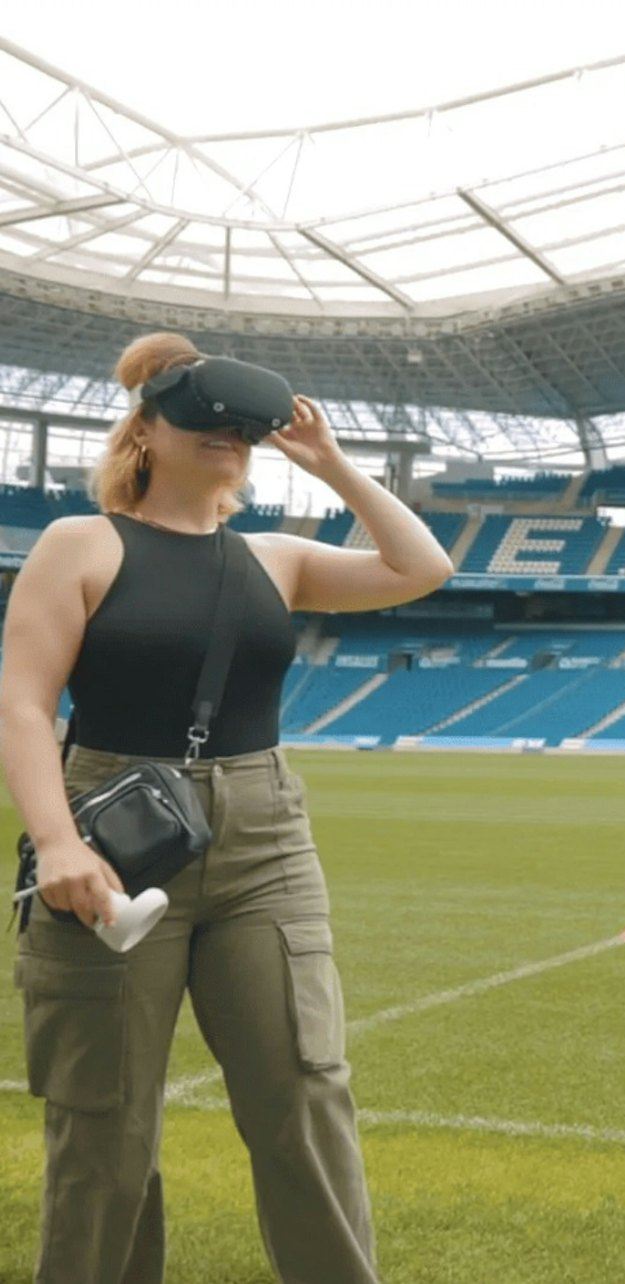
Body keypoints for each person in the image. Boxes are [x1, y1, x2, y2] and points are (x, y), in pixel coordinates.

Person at [0, 331, 455, 1282]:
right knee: (105, 1117)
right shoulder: (81, 543)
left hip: (265, 838)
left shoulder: (276, 558)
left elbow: (422, 567)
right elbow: (24, 702)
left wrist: (331, 464)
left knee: (305, 1091)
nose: (226, 440)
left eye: (238, 432)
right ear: (145, 433)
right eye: (202, 422)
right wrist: (55, 842)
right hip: (112, 832)